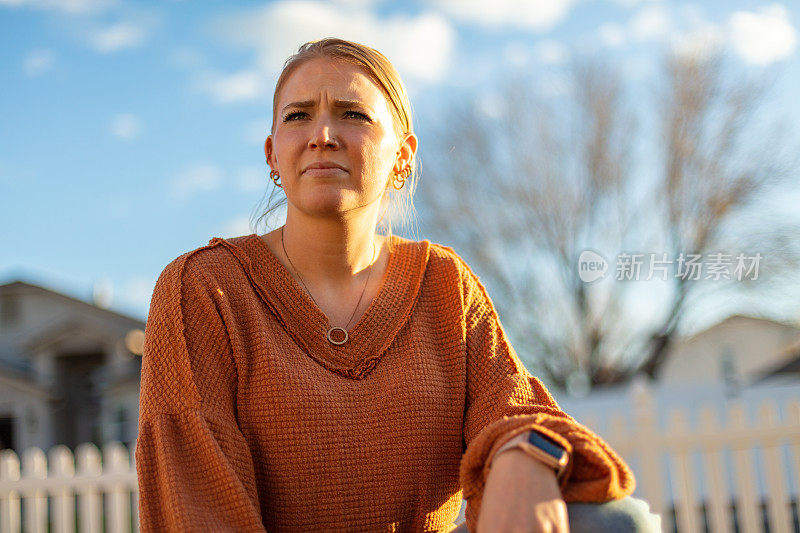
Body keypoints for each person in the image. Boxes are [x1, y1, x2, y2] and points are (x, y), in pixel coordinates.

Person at [134, 37, 662, 532]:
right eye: (299, 116)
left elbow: (516, 408)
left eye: (353, 114)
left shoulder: (444, 283)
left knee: (618, 521)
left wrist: (526, 454)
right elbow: (195, 505)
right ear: (273, 155)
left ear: (403, 156)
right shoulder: (203, 289)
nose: (322, 134)